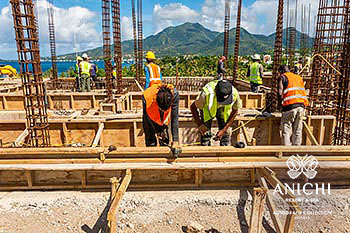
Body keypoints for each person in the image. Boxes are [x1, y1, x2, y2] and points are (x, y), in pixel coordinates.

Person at [190, 80, 242, 146]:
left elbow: (235, 111)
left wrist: (224, 130)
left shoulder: (234, 93)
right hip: (207, 109)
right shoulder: (206, 94)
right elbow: (193, 107)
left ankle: (224, 151)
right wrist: (200, 125)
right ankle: (206, 151)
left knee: (225, 134)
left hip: (223, 110)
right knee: (205, 135)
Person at [278, 65, 308, 146]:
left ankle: (287, 150)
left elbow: (280, 93)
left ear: (281, 71)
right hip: (301, 106)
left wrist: (279, 106)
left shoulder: (282, 77)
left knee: (286, 129)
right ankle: (296, 150)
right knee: (298, 130)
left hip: (289, 106)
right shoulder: (298, 77)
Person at [143, 83, 179, 147]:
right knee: (149, 134)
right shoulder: (147, 97)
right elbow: (149, 116)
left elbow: (174, 118)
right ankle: (151, 145)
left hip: (162, 113)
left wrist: (175, 140)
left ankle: (164, 144)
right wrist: (158, 130)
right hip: (149, 113)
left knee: (164, 138)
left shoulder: (174, 95)